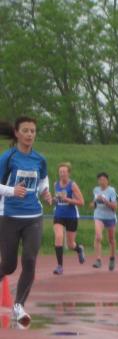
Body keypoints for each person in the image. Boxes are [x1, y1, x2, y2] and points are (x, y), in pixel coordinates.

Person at [0, 116, 53, 325]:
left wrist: (45, 192)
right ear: (17, 133)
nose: (30, 134)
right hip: (9, 216)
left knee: (30, 259)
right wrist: (12, 191)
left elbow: (42, 180)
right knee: (9, 266)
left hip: (33, 216)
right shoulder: (8, 158)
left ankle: (19, 306)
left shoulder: (40, 159)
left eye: (33, 131)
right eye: (26, 130)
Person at [52, 162, 85, 274]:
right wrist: (54, 200)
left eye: (64, 172)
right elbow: (56, 200)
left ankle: (79, 249)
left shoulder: (72, 185)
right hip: (59, 215)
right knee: (58, 237)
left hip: (71, 216)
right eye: (60, 172)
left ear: (68, 173)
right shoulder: (56, 184)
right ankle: (59, 266)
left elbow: (81, 202)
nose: (62, 174)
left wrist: (67, 200)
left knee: (71, 244)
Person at [90, 172, 118, 270]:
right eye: (100, 180)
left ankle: (112, 258)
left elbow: (115, 207)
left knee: (111, 239)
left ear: (107, 181)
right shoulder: (96, 190)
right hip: (98, 216)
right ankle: (98, 259)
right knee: (98, 236)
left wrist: (105, 201)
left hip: (110, 217)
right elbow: (93, 204)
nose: (102, 182)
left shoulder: (112, 191)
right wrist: (94, 202)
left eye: (104, 180)